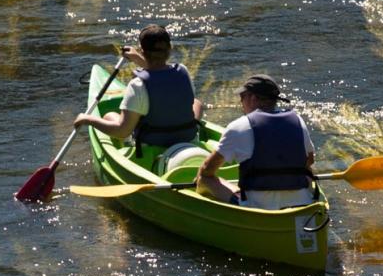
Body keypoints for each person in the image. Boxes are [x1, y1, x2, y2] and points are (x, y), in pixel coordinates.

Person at [74, 25, 203, 154]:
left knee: (110, 116)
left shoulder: (137, 85)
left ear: (142, 51)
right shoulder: (183, 71)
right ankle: (194, 127)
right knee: (196, 103)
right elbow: (160, 76)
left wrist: (88, 119)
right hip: (187, 139)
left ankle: (125, 142)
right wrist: (137, 59)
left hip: (152, 146)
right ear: (170, 48)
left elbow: (123, 131)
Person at [196, 74, 316, 210]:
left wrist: (200, 177)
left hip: (258, 208)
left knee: (204, 178)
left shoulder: (239, 126)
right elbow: (309, 160)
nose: (241, 103)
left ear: (252, 98)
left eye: (242, 97)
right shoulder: (298, 121)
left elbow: (208, 169)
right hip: (301, 204)